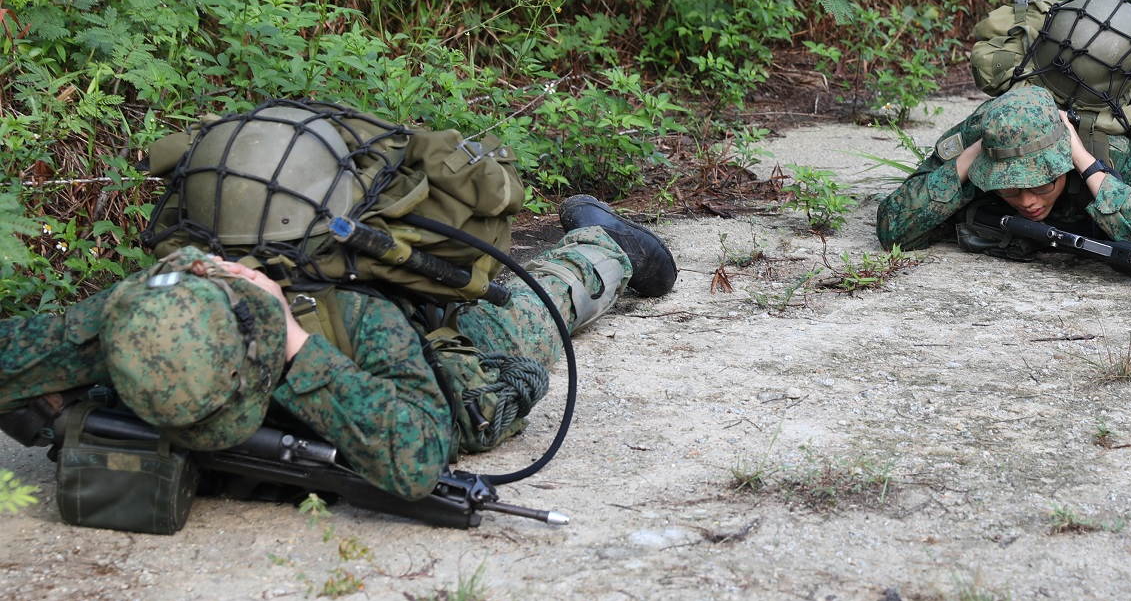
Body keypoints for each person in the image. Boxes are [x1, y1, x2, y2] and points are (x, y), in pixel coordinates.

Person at [0, 152, 677, 502]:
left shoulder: (355, 319)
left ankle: (604, 244)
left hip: (425, 331)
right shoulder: (144, 313)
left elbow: (419, 453)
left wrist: (300, 355)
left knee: (528, 315)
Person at [876, 83, 1131, 259]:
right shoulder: (983, 136)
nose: (1027, 202)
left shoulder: (1115, 150)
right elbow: (893, 228)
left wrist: (1083, 160)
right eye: (1009, 189)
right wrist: (975, 154)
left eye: (1041, 186)